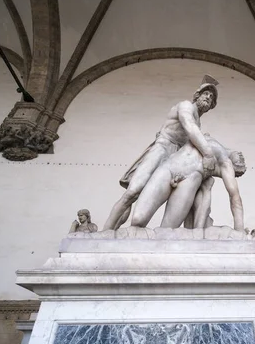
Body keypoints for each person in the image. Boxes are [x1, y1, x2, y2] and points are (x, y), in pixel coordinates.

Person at [103, 76, 220, 230]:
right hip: (162, 148)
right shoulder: (186, 106)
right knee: (133, 192)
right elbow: (189, 128)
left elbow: (189, 146)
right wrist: (208, 154)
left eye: (211, 98)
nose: (208, 98)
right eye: (206, 94)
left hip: (174, 159)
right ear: (197, 95)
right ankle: (107, 230)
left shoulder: (199, 122)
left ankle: (191, 231)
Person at [130, 136, 246, 231]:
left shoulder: (225, 163)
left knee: (166, 231)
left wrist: (239, 231)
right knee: (137, 219)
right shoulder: (207, 138)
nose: (241, 157)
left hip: (188, 180)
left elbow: (234, 197)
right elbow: (235, 198)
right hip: (169, 168)